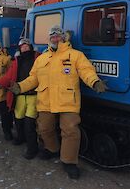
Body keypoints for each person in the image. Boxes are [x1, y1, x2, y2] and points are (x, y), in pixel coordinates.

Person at [10, 25, 107, 179]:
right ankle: (52, 148)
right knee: (44, 128)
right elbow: (33, 78)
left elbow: (86, 71)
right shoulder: (42, 58)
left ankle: (69, 162)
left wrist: (95, 82)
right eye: (52, 36)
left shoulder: (75, 55)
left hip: (68, 100)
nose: (55, 38)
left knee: (70, 130)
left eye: (58, 36)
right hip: (46, 100)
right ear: (49, 39)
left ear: (63, 37)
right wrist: (20, 86)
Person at [0, 38, 40, 159]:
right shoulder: (17, 61)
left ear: (31, 47)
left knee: (30, 122)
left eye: (27, 46)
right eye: (22, 46)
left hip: (33, 95)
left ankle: (32, 148)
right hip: (19, 95)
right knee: (18, 118)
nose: (25, 48)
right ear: (20, 49)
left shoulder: (38, 58)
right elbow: (9, 76)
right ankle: (21, 137)